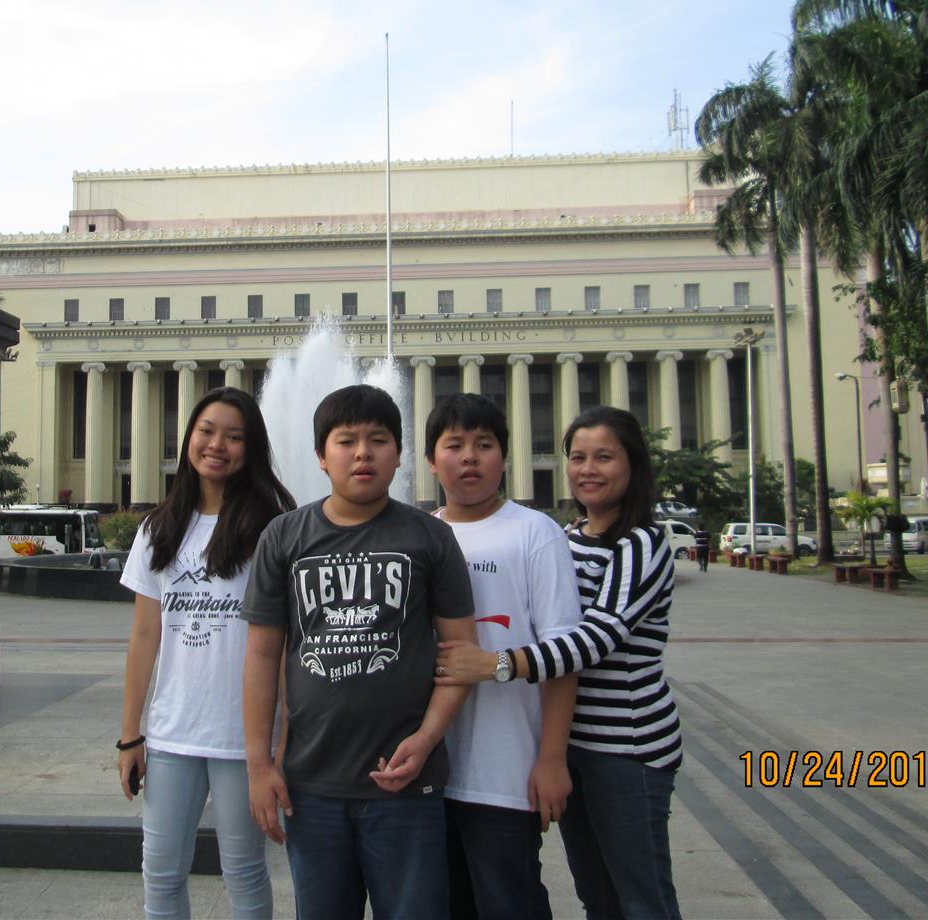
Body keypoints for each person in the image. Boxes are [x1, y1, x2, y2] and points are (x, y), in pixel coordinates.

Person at [241, 384, 478, 920]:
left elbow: (462, 651)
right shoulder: (284, 537)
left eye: (378, 440)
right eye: (346, 441)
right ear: (322, 457)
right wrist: (259, 764)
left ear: (399, 455)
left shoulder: (430, 539)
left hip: (407, 786)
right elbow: (260, 656)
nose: (363, 453)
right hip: (311, 785)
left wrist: (426, 738)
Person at [436, 405, 683, 920]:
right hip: (574, 743)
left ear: (633, 466)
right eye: (578, 457)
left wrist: (494, 664)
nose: (588, 469)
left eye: (604, 458)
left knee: (642, 897)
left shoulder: (642, 542)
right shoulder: (570, 537)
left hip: (626, 747)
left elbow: (593, 639)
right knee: (597, 892)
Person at [117, 387, 295, 918]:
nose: (218, 445)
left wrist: (281, 744)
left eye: (235, 436)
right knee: (162, 872)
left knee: (243, 873)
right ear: (189, 438)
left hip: (246, 741)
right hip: (173, 734)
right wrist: (131, 735)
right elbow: (145, 637)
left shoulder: (273, 528)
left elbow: (287, 644)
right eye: (207, 431)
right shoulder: (157, 530)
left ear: (252, 448)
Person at [424, 394, 581, 920]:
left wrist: (552, 758)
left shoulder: (535, 532)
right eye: (454, 445)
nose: (469, 457)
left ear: (505, 458)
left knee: (509, 903)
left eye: (484, 445)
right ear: (430, 461)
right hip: (427, 772)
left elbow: (564, 654)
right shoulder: (416, 535)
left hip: (504, 771)